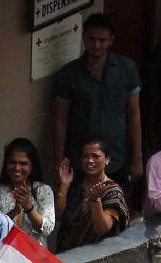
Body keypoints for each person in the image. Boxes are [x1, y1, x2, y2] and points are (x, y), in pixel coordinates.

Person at [53, 12, 142, 185]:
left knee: (113, 210)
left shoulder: (126, 69)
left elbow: (134, 114)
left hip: (116, 160)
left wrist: (137, 158)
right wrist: (59, 160)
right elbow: (60, 120)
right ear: (83, 38)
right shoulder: (69, 73)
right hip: (80, 162)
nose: (96, 45)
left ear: (111, 40)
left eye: (102, 40)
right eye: (91, 39)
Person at [56, 139, 129, 252]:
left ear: (107, 159)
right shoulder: (75, 184)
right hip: (66, 253)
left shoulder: (112, 192)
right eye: (85, 156)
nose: (90, 160)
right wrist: (64, 185)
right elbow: (58, 215)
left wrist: (96, 201)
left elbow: (102, 229)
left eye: (95, 156)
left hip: (94, 258)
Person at [0, 138, 55, 246]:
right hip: (4, 257)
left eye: (23, 163)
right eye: (12, 162)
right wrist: (14, 212)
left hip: (34, 258)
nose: (17, 168)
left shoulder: (43, 190)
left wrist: (29, 208)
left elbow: (47, 229)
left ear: (32, 166)